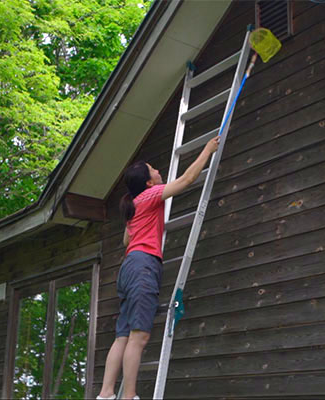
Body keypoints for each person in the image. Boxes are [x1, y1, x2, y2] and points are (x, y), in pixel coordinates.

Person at [96, 136, 220, 400]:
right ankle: (129, 396)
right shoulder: (150, 195)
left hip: (129, 266)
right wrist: (207, 150)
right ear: (149, 182)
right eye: (154, 170)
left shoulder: (133, 206)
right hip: (143, 266)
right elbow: (187, 179)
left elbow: (125, 240)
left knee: (122, 336)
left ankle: (106, 394)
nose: (159, 170)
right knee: (138, 337)